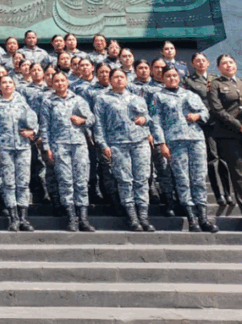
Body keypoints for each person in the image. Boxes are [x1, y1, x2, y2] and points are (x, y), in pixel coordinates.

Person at [152, 66, 218, 233]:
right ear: (163, 78)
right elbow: (156, 122)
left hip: (195, 139)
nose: (172, 78)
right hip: (175, 141)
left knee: (199, 178)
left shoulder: (190, 94)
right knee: (182, 179)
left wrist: (198, 116)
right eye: (168, 76)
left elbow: (205, 111)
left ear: (180, 77)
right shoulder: (158, 97)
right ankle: (192, 219)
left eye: (174, 75)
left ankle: (203, 218)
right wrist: (161, 143)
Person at [94, 68, 154, 232]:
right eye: (116, 77)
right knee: (125, 180)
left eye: (122, 77)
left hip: (140, 142)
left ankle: (143, 217)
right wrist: (103, 144)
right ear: (110, 80)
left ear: (127, 80)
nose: (119, 80)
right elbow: (99, 124)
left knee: (142, 179)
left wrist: (145, 119)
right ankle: (132, 218)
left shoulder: (137, 98)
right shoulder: (103, 99)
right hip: (118, 144)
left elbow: (149, 117)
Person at [41, 71, 94, 232]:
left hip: (79, 145)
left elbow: (92, 118)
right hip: (59, 145)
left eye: (62, 80)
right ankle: (71, 218)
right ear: (52, 83)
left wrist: (82, 120)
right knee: (65, 181)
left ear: (67, 82)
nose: (59, 83)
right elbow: (45, 127)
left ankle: (83, 219)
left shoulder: (78, 100)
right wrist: (47, 148)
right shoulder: (48, 101)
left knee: (81, 181)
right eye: (56, 81)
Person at [0, 74, 38, 232]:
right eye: (4, 83)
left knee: (23, 183)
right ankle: (13, 218)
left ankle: (23, 218)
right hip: (4, 148)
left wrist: (32, 132)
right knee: (8, 184)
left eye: (10, 82)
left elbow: (34, 122)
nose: (7, 85)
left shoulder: (22, 103)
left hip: (23, 147)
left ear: (14, 86)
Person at [184, 52, 232, 206]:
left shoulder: (215, 79)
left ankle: (228, 192)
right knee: (212, 159)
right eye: (197, 61)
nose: (201, 63)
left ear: (208, 63)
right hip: (205, 124)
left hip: (221, 123)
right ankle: (219, 194)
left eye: (203, 60)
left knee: (224, 158)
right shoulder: (189, 82)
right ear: (192, 64)